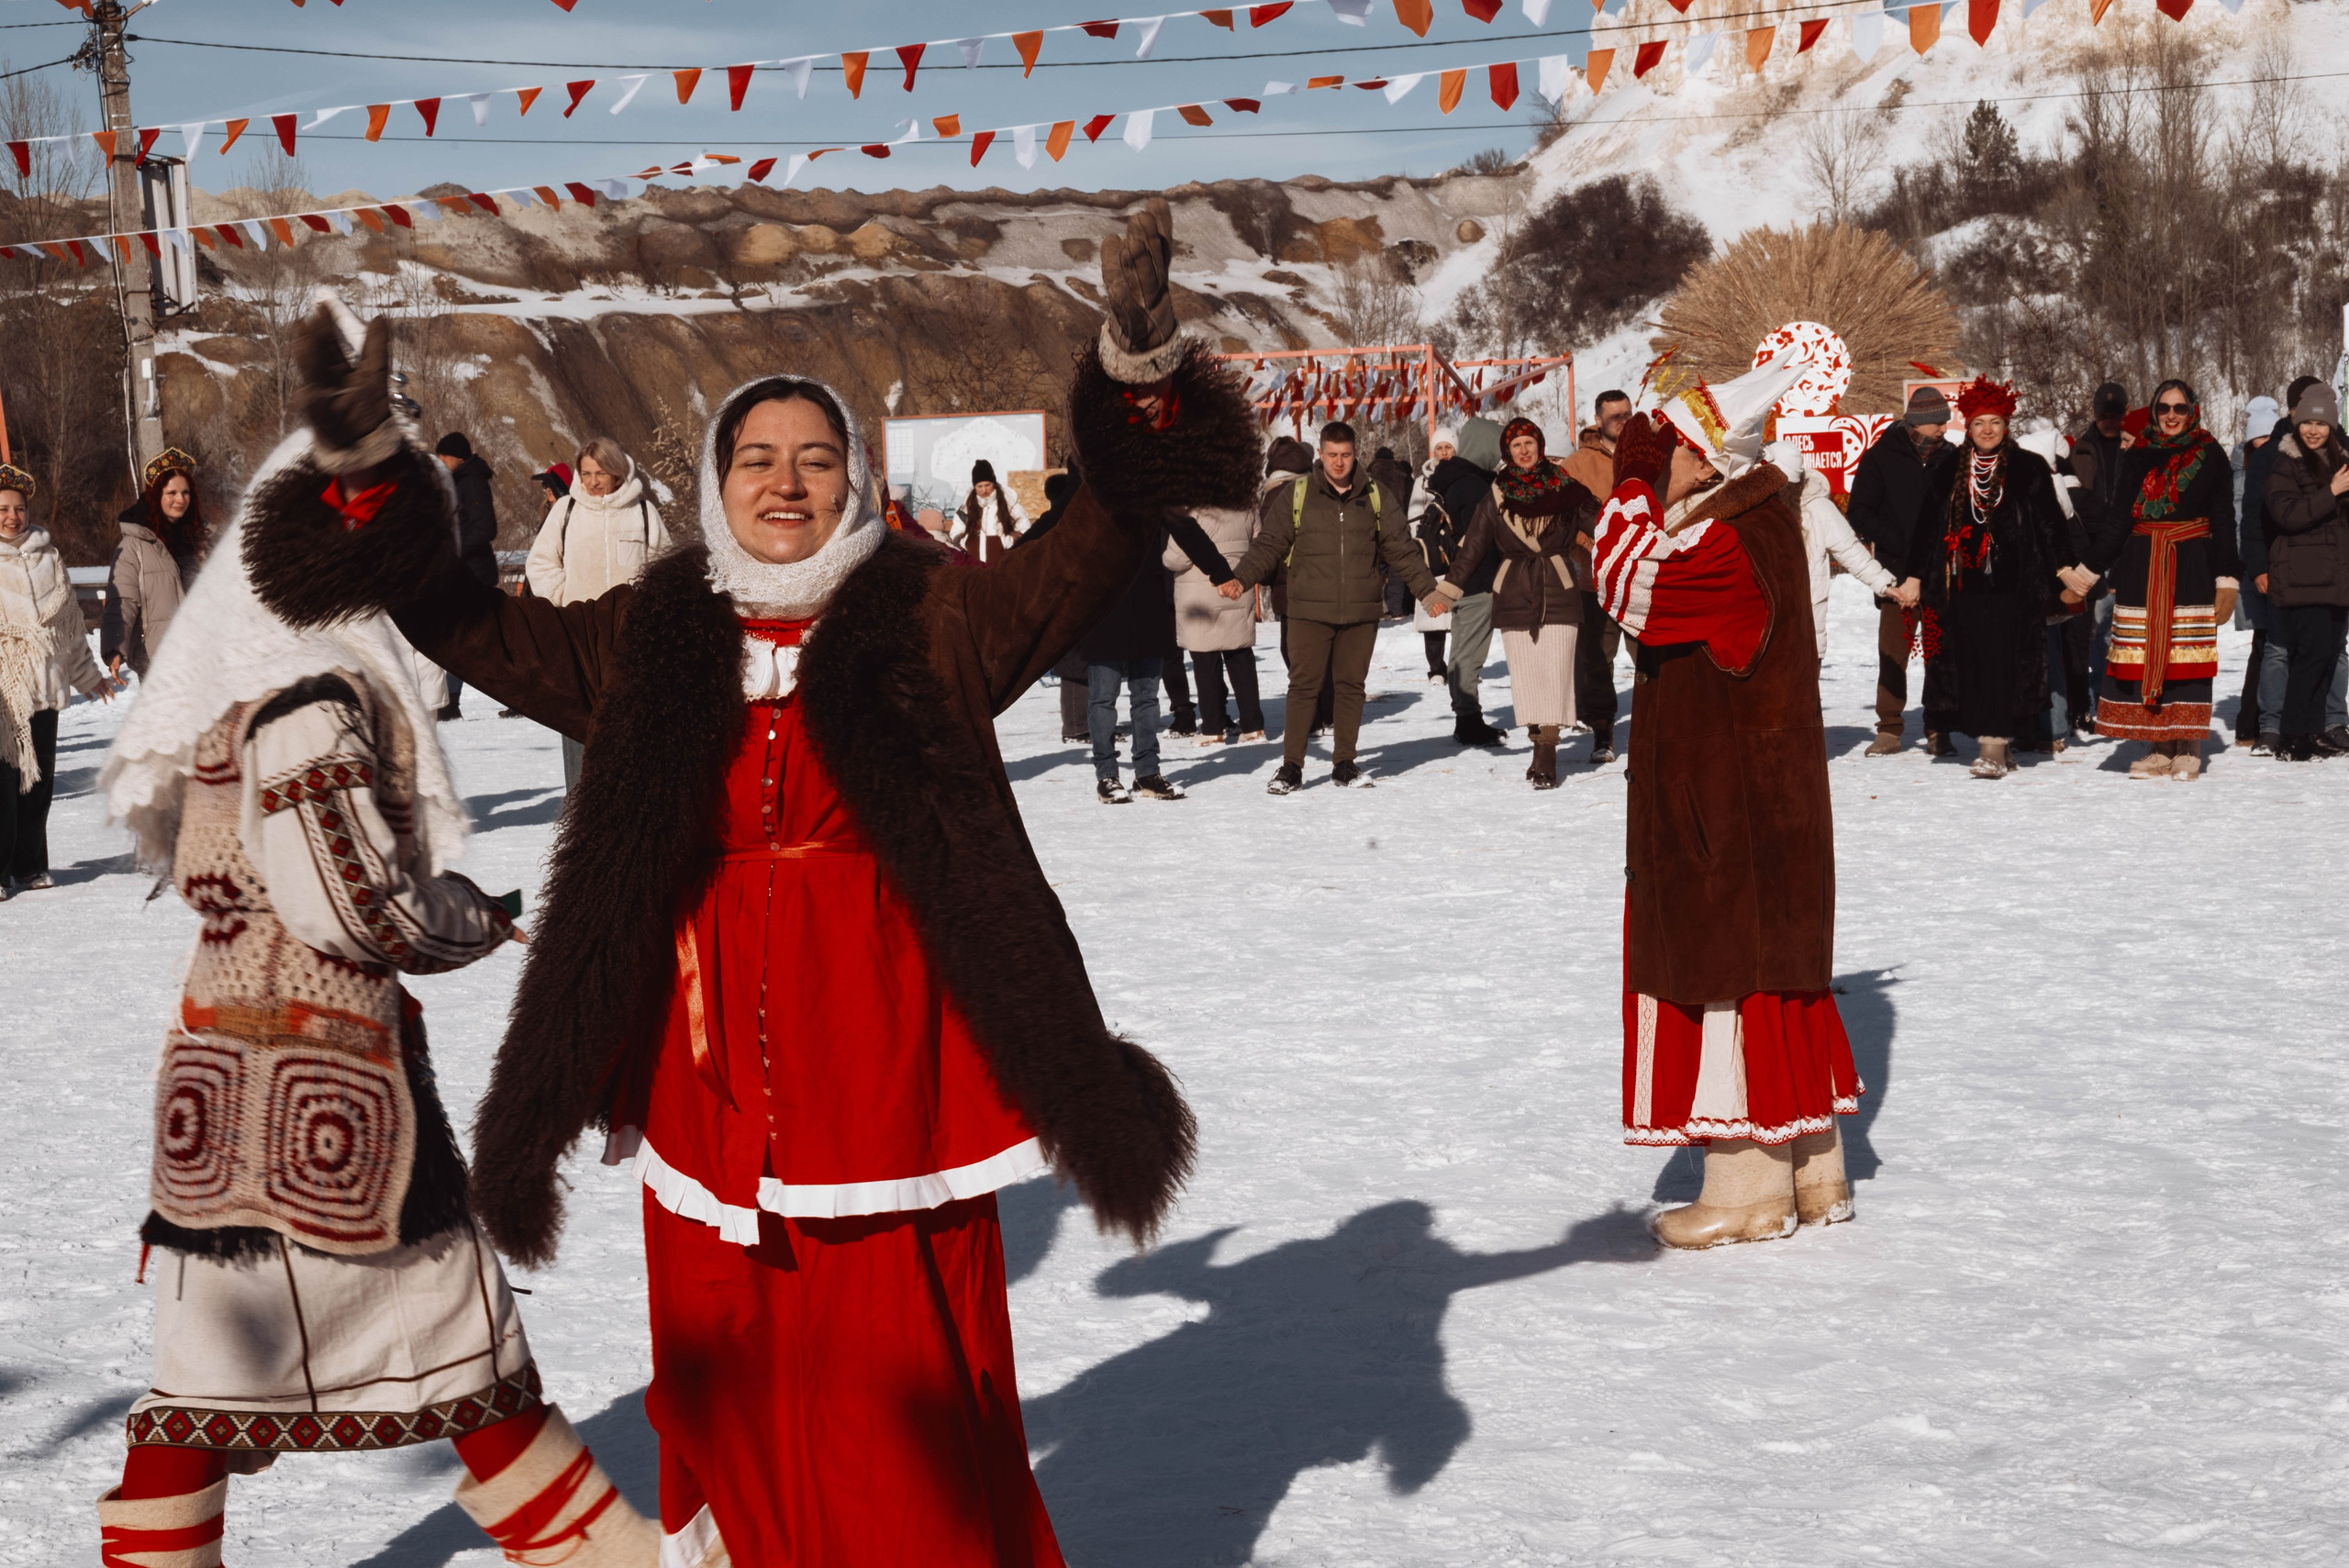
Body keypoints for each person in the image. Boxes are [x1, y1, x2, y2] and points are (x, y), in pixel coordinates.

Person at [369, 202, 1227, 1562]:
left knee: (906, 1396)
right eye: (757, 459)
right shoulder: (660, 634)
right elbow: (471, 625)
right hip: (703, 1087)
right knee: (731, 1378)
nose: (786, 483)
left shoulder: (934, 615)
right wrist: (371, 485)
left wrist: (1135, 378)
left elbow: (1091, 551)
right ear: (714, 481)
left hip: (894, 1069)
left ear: (853, 480)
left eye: (815, 460)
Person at [92, 298, 653, 1566]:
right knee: (456, 1354)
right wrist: (468, 917)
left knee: (229, 1383)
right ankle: (618, 1558)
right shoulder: (307, 695)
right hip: (322, 1099)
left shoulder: (257, 680)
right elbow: (350, 898)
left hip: (254, 1088)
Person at [1588, 356, 1861, 1250]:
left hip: (1726, 818)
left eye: (1661, 448)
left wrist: (1628, 479)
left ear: (1703, 461)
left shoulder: (1727, 537)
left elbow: (1626, 584)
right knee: (1774, 982)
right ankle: (1814, 1170)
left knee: (1729, 980)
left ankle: (1748, 1189)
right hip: (1762, 811)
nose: (1647, 461)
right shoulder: (1749, 523)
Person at [1224, 420, 1444, 793]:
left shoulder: (1375, 495)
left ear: (1354, 454)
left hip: (1360, 610)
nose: (1338, 462)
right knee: (1303, 687)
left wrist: (1428, 591)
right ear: (1321, 455)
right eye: (1331, 455)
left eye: (1345, 455)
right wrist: (1242, 577)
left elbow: (1400, 548)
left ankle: (1345, 763)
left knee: (1350, 687)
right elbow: (1269, 545)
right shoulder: (1298, 494)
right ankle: (1291, 766)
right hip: (1308, 609)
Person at [1894, 378, 2091, 778]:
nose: (1987, 429)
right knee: (1972, 666)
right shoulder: (1948, 468)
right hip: (1961, 589)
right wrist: (1914, 576)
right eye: (1979, 422)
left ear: (2006, 426)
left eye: (1995, 422)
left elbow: (2051, 525)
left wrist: (2065, 568)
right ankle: (1991, 739)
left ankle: (1995, 748)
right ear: (1966, 427)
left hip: (2015, 589)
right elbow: (1926, 530)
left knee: (2007, 665)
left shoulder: (2028, 467)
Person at [2084, 379, 2239, 780]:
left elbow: (2224, 520)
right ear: (2154, 412)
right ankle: (2158, 745)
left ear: (2193, 411)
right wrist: (2090, 569)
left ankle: (2187, 746)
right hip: (2142, 564)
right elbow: (2120, 518)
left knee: (2185, 656)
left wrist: (2227, 578)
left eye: (2180, 408)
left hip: (2190, 564)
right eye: (2164, 408)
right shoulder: (2138, 453)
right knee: (2144, 653)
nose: (2171, 416)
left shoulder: (2210, 453)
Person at [1431, 417, 1597, 789]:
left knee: (1554, 676)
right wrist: (1448, 591)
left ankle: (1545, 753)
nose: (1524, 451)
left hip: (1559, 585)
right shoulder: (1497, 493)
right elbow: (1472, 547)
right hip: (1514, 591)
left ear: (1539, 446)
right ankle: (1540, 740)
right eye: (1516, 445)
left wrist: (1636, 545)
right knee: (1528, 678)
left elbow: (1602, 523)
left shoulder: (1567, 488)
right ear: (1508, 452)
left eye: (1529, 443)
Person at [527, 438, 674, 787]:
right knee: (580, 723)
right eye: (586, 472)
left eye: (601, 473)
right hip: (578, 639)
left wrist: (649, 610)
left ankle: (633, 802)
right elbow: (540, 563)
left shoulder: (642, 513)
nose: (592, 481)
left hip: (633, 641)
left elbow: (665, 570)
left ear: (618, 473)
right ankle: (582, 806)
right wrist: (564, 599)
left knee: (634, 727)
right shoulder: (566, 511)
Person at [0, 465, 114, 898]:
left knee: (39, 784)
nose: (12, 516)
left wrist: (89, 678)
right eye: (3, 509)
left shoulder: (50, 558)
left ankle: (30, 867)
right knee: (3, 788)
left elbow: (69, 629)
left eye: (19, 508)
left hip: (45, 688)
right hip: (4, 694)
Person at [1846, 387, 1955, 755]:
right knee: (1893, 652)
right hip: (1895, 577)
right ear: (1919, 422)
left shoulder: (1952, 458)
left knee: (1941, 654)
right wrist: (1902, 547)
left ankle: (1939, 728)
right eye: (1939, 422)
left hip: (1941, 574)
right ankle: (1889, 728)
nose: (1945, 428)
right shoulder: (1880, 457)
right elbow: (1860, 512)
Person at [2262, 383, 2349, 761]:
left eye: (2322, 424)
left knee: (2329, 653)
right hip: (2303, 578)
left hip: (2336, 577)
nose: (2314, 430)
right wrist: (2331, 491)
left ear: (2332, 427)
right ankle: (2292, 735)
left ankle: (2313, 731)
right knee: (2309, 655)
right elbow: (2287, 515)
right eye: (2308, 422)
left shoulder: (2341, 463)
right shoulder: (2285, 463)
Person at [1764, 440, 1900, 664]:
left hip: (1805, 627)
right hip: (1759, 625)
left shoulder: (1817, 509)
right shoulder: (1752, 509)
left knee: (1804, 697)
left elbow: (1851, 551)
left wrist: (1885, 585)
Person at [1561, 391, 1635, 763]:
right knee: (1597, 661)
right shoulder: (1577, 464)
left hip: (1643, 575)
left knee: (1651, 657)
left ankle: (1655, 728)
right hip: (1596, 576)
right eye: (1614, 416)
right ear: (1598, 419)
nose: (1622, 420)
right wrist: (1595, 547)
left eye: (1627, 414)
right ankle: (1602, 732)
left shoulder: (1647, 456)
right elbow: (1565, 517)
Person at [1166, 484, 1269, 745]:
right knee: (1241, 658)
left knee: (1206, 662)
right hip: (1238, 587)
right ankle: (1253, 726)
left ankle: (1213, 729)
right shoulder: (1246, 505)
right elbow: (1259, 542)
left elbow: (1175, 559)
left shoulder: (1191, 510)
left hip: (1202, 594)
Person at [1430, 418, 1508, 746]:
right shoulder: (1476, 485)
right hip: (1479, 578)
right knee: (1470, 653)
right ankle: (1468, 720)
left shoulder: (1455, 479)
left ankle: (1466, 716)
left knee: (1462, 649)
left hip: (1463, 577)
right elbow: (1486, 538)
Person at [101, 448, 206, 681]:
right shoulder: (133, 546)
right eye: (172, 493)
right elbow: (122, 601)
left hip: (207, 661)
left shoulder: (203, 540)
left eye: (186, 492)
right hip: (160, 664)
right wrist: (116, 647)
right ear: (156, 495)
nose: (180, 500)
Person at [2065, 381, 2134, 697]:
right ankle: (2098, 691)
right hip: (2093, 550)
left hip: (2130, 547)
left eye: (2116, 414)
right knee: (2094, 626)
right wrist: (2112, 516)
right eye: (2104, 414)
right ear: (2093, 412)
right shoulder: (2080, 448)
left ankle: (2122, 689)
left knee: (2128, 625)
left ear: (2126, 413)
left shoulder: (2135, 447)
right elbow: (2074, 497)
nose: (2109, 420)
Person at [1020, 470, 1095, 743]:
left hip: (1075, 596)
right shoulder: (1057, 523)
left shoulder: (1068, 522)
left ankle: (1089, 723)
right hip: (1064, 597)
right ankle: (1075, 726)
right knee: (1074, 665)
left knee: (1087, 662)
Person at [434, 433, 500, 720]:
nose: (439, 462)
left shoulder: (471, 482)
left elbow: (486, 528)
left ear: (458, 458)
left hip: (473, 573)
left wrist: (453, 547)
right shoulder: (457, 481)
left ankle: (452, 700)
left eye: (443, 457)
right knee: (458, 638)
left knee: (460, 639)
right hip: (461, 571)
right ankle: (450, 700)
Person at [2233, 394, 2286, 750]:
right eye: (2259, 441)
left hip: (2266, 563)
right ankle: (2251, 723)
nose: (2264, 446)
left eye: (2269, 439)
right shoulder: (2240, 472)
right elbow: (2241, 521)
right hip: (2253, 566)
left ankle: (2252, 722)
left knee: (2268, 643)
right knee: (2266, 645)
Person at [1407, 427, 1461, 683]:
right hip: (1430, 551)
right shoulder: (1422, 480)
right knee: (1433, 608)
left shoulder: (1463, 476)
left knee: (1461, 611)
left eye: (1448, 447)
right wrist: (1417, 546)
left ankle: (1462, 664)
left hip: (1457, 549)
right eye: (1439, 448)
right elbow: (1412, 516)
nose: (1443, 452)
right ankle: (1436, 668)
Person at [955, 459, 1030, 564]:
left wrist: (1005, 542)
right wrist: (967, 542)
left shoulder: (1009, 504)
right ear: (974, 487)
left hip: (1003, 565)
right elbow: (956, 531)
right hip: (974, 567)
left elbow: (1025, 530)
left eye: (987, 485)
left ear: (993, 483)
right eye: (979, 486)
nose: (984, 490)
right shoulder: (967, 507)